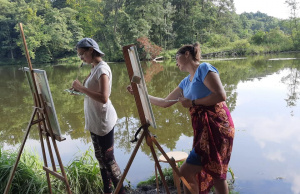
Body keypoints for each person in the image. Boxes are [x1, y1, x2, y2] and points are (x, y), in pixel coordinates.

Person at [127, 42, 235, 194]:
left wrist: (192, 102)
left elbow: (220, 95)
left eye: (177, 57)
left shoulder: (204, 69)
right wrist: (140, 94)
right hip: (203, 130)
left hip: (217, 127)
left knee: (208, 172)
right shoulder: (185, 82)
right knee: (207, 172)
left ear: (186, 54)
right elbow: (165, 103)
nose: (176, 62)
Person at [71, 38, 125, 194]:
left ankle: (121, 191)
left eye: (82, 54)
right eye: (79, 55)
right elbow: (92, 90)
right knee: (101, 160)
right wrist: (78, 89)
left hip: (104, 122)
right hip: (95, 120)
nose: (81, 57)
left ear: (90, 50)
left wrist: (81, 88)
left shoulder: (102, 69)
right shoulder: (94, 67)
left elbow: (104, 97)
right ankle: (107, 191)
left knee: (109, 160)